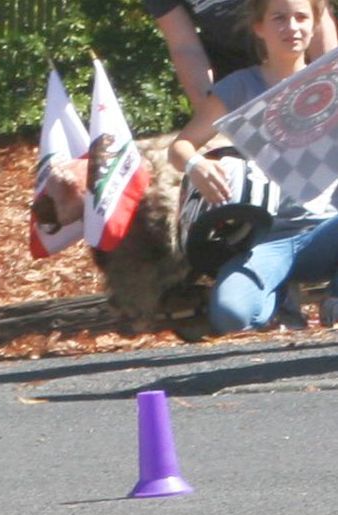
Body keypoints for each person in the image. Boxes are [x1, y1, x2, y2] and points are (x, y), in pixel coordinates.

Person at [169, 0, 338, 332]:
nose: (292, 28)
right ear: (258, 27)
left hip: (328, 231)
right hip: (267, 237)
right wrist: (195, 165)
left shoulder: (331, 79)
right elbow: (180, 147)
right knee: (232, 316)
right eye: (279, 19)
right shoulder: (239, 88)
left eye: (302, 18)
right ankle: (274, 303)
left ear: (316, 23)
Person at [145, 0, 336, 113]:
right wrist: (213, 117)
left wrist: (329, 85)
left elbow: (315, 14)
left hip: (303, 63)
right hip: (244, 85)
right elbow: (185, 48)